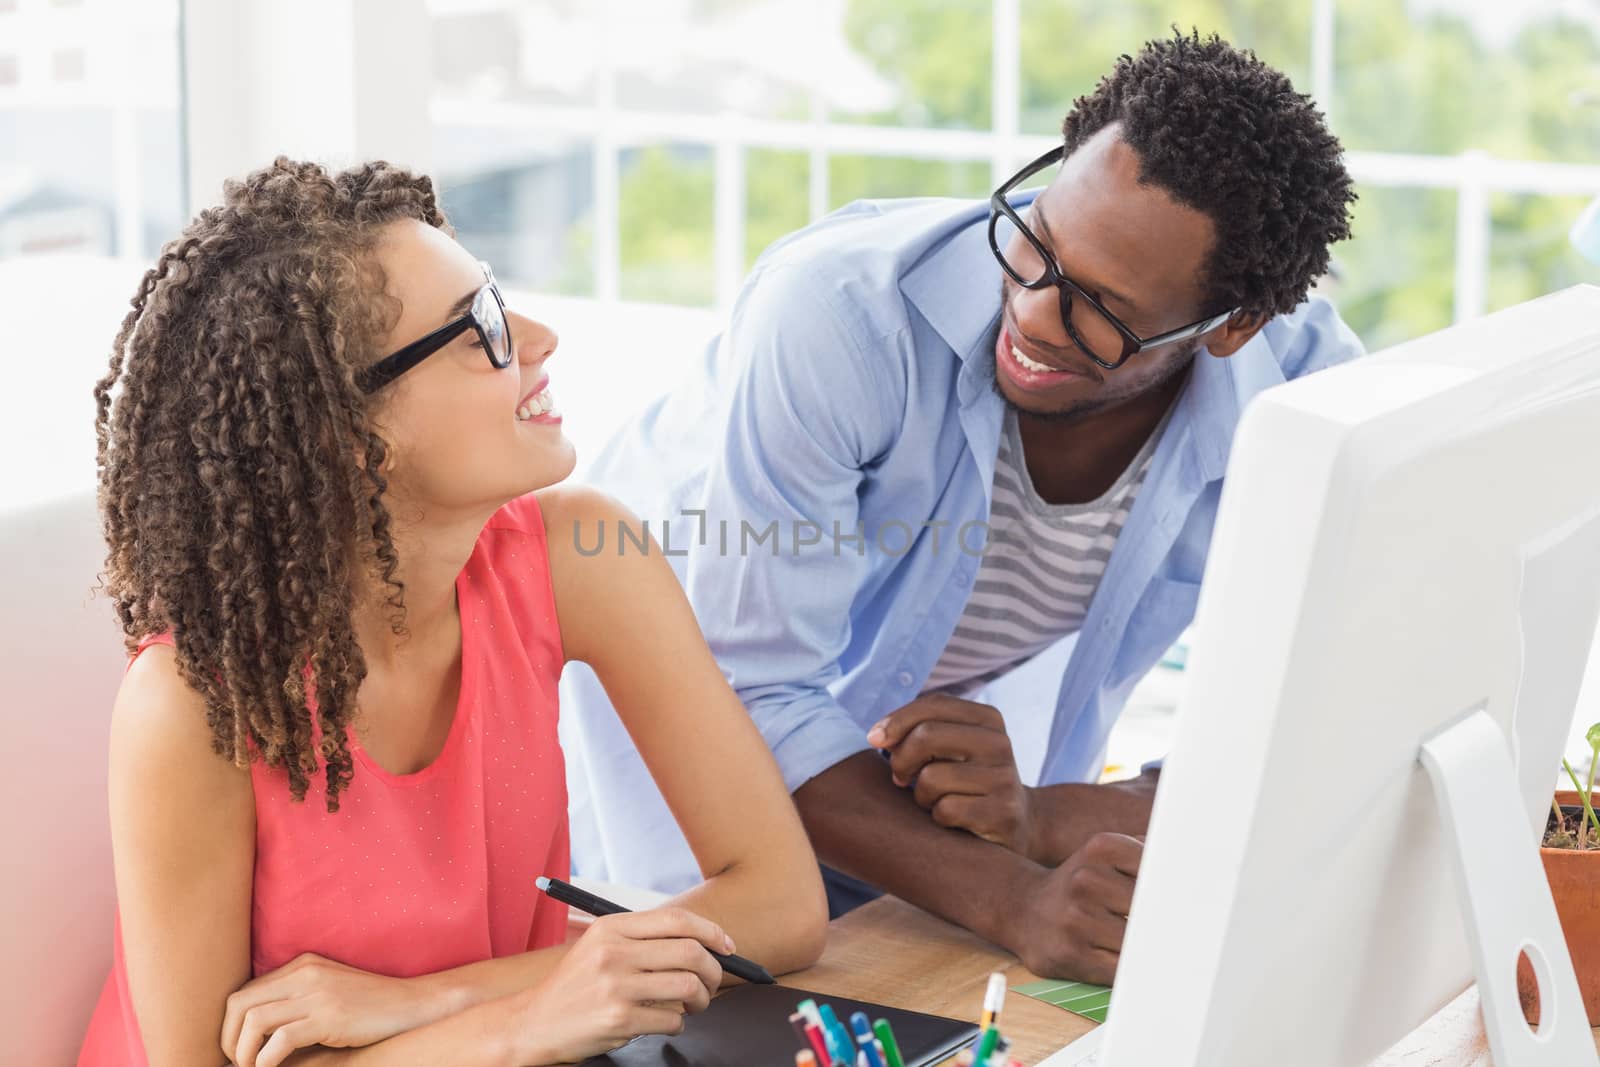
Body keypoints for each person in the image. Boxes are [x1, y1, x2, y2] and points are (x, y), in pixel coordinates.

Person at [560, 29, 1364, 984]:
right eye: (1034, 239)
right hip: (690, 689)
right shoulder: (841, 319)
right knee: (720, 981)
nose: (1028, 312)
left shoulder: (1304, 406)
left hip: (904, 741)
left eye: (1100, 311)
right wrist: (1011, 893)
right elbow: (757, 695)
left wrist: (1038, 819)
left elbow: (1302, 737)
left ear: (1229, 328)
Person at [77, 158, 826, 1067]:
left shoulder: (582, 553)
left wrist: (429, 1004)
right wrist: (526, 1019)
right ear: (348, 436)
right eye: (483, 329)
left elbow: (782, 902)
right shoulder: (190, 703)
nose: (541, 337)